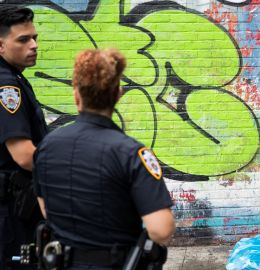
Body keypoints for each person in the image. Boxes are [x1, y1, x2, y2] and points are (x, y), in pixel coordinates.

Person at [33, 48, 175, 269]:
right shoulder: (131, 153)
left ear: (76, 95)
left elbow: (46, 211)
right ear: (118, 94)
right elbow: (161, 229)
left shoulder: (46, 147)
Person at [0, 5, 47, 268]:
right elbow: (24, 155)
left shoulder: (14, 78)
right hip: (11, 214)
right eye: (23, 39)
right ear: (1, 46)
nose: (33, 45)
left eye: (34, 38)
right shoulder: (6, 85)